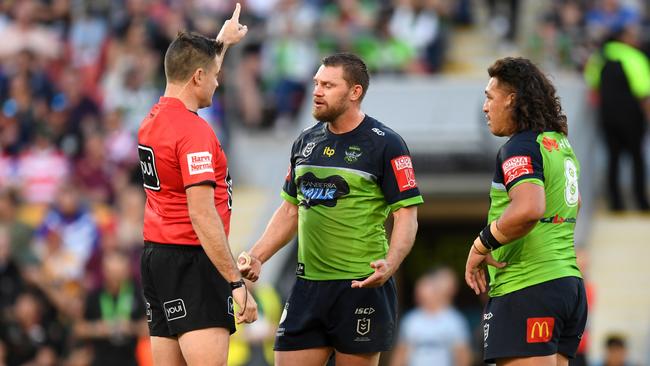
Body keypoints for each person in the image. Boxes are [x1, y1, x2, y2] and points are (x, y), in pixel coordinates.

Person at [239, 52, 423, 366]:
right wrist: (257, 255)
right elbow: (289, 211)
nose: (317, 91)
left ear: (355, 92)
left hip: (359, 286)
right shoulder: (304, 142)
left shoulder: (386, 144)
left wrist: (391, 263)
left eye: (328, 84)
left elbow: (406, 214)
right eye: (316, 83)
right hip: (307, 288)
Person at [137, 4, 257, 366]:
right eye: (214, 76)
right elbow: (202, 213)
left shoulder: (153, 119)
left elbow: (188, 67)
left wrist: (221, 42)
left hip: (157, 257)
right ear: (198, 77)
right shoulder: (194, 134)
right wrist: (236, 284)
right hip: (193, 260)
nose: (219, 82)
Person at [464, 57, 588, 365]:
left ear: (512, 99)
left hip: (528, 287)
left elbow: (529, 208)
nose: (485, 107)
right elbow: (576, 203)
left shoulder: (519, 146)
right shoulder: (559, 144)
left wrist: (480, 245)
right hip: (566, 285)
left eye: (489, 97)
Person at [584, 23, 650, 211]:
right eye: (632, 35)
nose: (635, 39)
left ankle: (615, 204)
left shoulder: (599, 57)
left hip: (607, 117)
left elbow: (592, 83)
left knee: (613, 159)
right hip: (632, 118)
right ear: (623, 37)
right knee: (637, 158)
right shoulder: (635, 57)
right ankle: (641, 202)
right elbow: (643, 92)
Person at [390, 267, 472, 366]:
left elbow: (463, 355)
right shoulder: (411, 320)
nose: (421, 292)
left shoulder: (454, 320)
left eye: (425, 288)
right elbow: (401, 353)